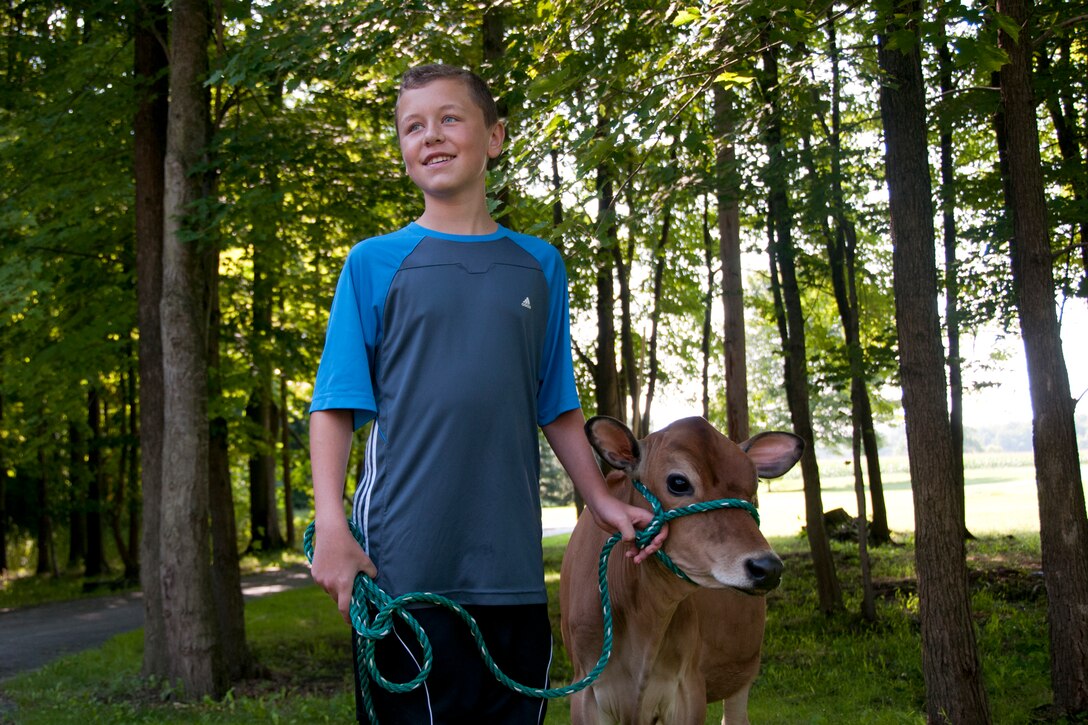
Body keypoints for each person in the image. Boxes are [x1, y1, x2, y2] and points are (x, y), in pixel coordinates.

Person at [308, 63, 665, 724]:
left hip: (513, 576)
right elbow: (333, 406)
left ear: (494, 137)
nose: (431, 136)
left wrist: (600, 503)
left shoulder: (539, 265)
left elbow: (555, 402)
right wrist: (332, 524)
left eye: (449, 118)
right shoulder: (373, 263)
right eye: (412, 126)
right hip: (403, 571)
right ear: (402, 151)